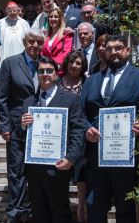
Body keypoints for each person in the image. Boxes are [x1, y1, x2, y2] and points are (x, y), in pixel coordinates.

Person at [81, 34, 139, 222]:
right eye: (110, 49)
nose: (114, 52)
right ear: (103, 52)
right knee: (94, 208)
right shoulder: (91, 81)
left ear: (127, 51)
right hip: (96, 157)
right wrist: (87, 129)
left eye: (119, 48)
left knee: (125, 210)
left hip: (127, 157)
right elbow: (80, 114)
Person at [18, 56, 85, 223]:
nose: (45, 74)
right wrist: (22, 126)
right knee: (39, 215)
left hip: (58, 169)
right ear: (37, 74)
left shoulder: (71, 100)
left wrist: (71, 158)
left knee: (60, 214)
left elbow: (78, 132)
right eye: (41, 71)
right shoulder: (28, 102)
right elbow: (19, 138)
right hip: (34, 170)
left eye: (49, 71)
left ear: (56, 74)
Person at [0, 28, 45, 222]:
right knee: (16, 170)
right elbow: (1, 98)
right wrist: (5, 126)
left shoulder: (47, 64)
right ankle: (16, 209)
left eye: (39, 42)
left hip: (42, 128)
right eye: (31, 42)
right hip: (17, 127)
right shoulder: (10, 63)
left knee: (35, 170)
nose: (35, 46)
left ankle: (33, 207)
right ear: (25, 42)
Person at [58, 51, 88, 223]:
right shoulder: (57, 83)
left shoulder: (87, 83)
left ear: (82, 66)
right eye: (71, 62)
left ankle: (81, 212)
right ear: (66, 64)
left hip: (82, 137)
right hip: (60, 138)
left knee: (82, 178)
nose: (74, 65)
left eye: (78, 63)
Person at [0, 2, 30, 88]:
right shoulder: (0, 23)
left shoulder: (24, 23)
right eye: (10, 10)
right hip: (3, 55)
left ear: (18, 11)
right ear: (6, 11)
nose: (12, 12)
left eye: (14, 10)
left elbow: (28, 40)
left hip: (20, 55)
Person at [41, 7, 73, 76]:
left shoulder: (66, 34)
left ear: (60, 19)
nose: (53, 19)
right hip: (46, 72)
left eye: (56, 17)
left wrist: (53, 66)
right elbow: (43, 54)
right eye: (51, 17)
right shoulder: (46, 36)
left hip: (60, 72)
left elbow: (66, 54)